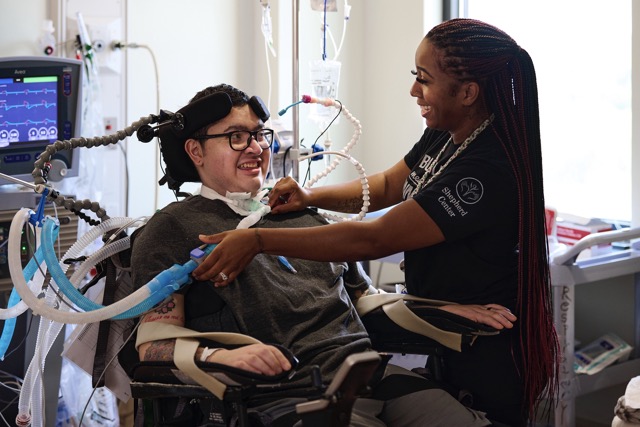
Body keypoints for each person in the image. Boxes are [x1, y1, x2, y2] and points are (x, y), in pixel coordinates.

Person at [192, 19, 560, 427]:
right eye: (235, 138)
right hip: (411, 334)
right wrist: (312, 196)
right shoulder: (449, 131)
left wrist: (259, 241)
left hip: (482, 342)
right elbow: (388, 184)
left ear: (468, 93)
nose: (414, 91)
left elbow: (375, 240)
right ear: (194, 151)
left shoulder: (487, 168)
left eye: (424, 80)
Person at [129, 83, 492, 426]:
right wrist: (222, 358)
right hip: (285, 393)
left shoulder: (298, 214)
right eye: (236, 138)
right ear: (195, 151)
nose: (256, 148)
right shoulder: (173, 228)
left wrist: (437, 309)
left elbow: (363, 299)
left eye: (259, 135)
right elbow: (156, 342)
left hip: (367, 373)